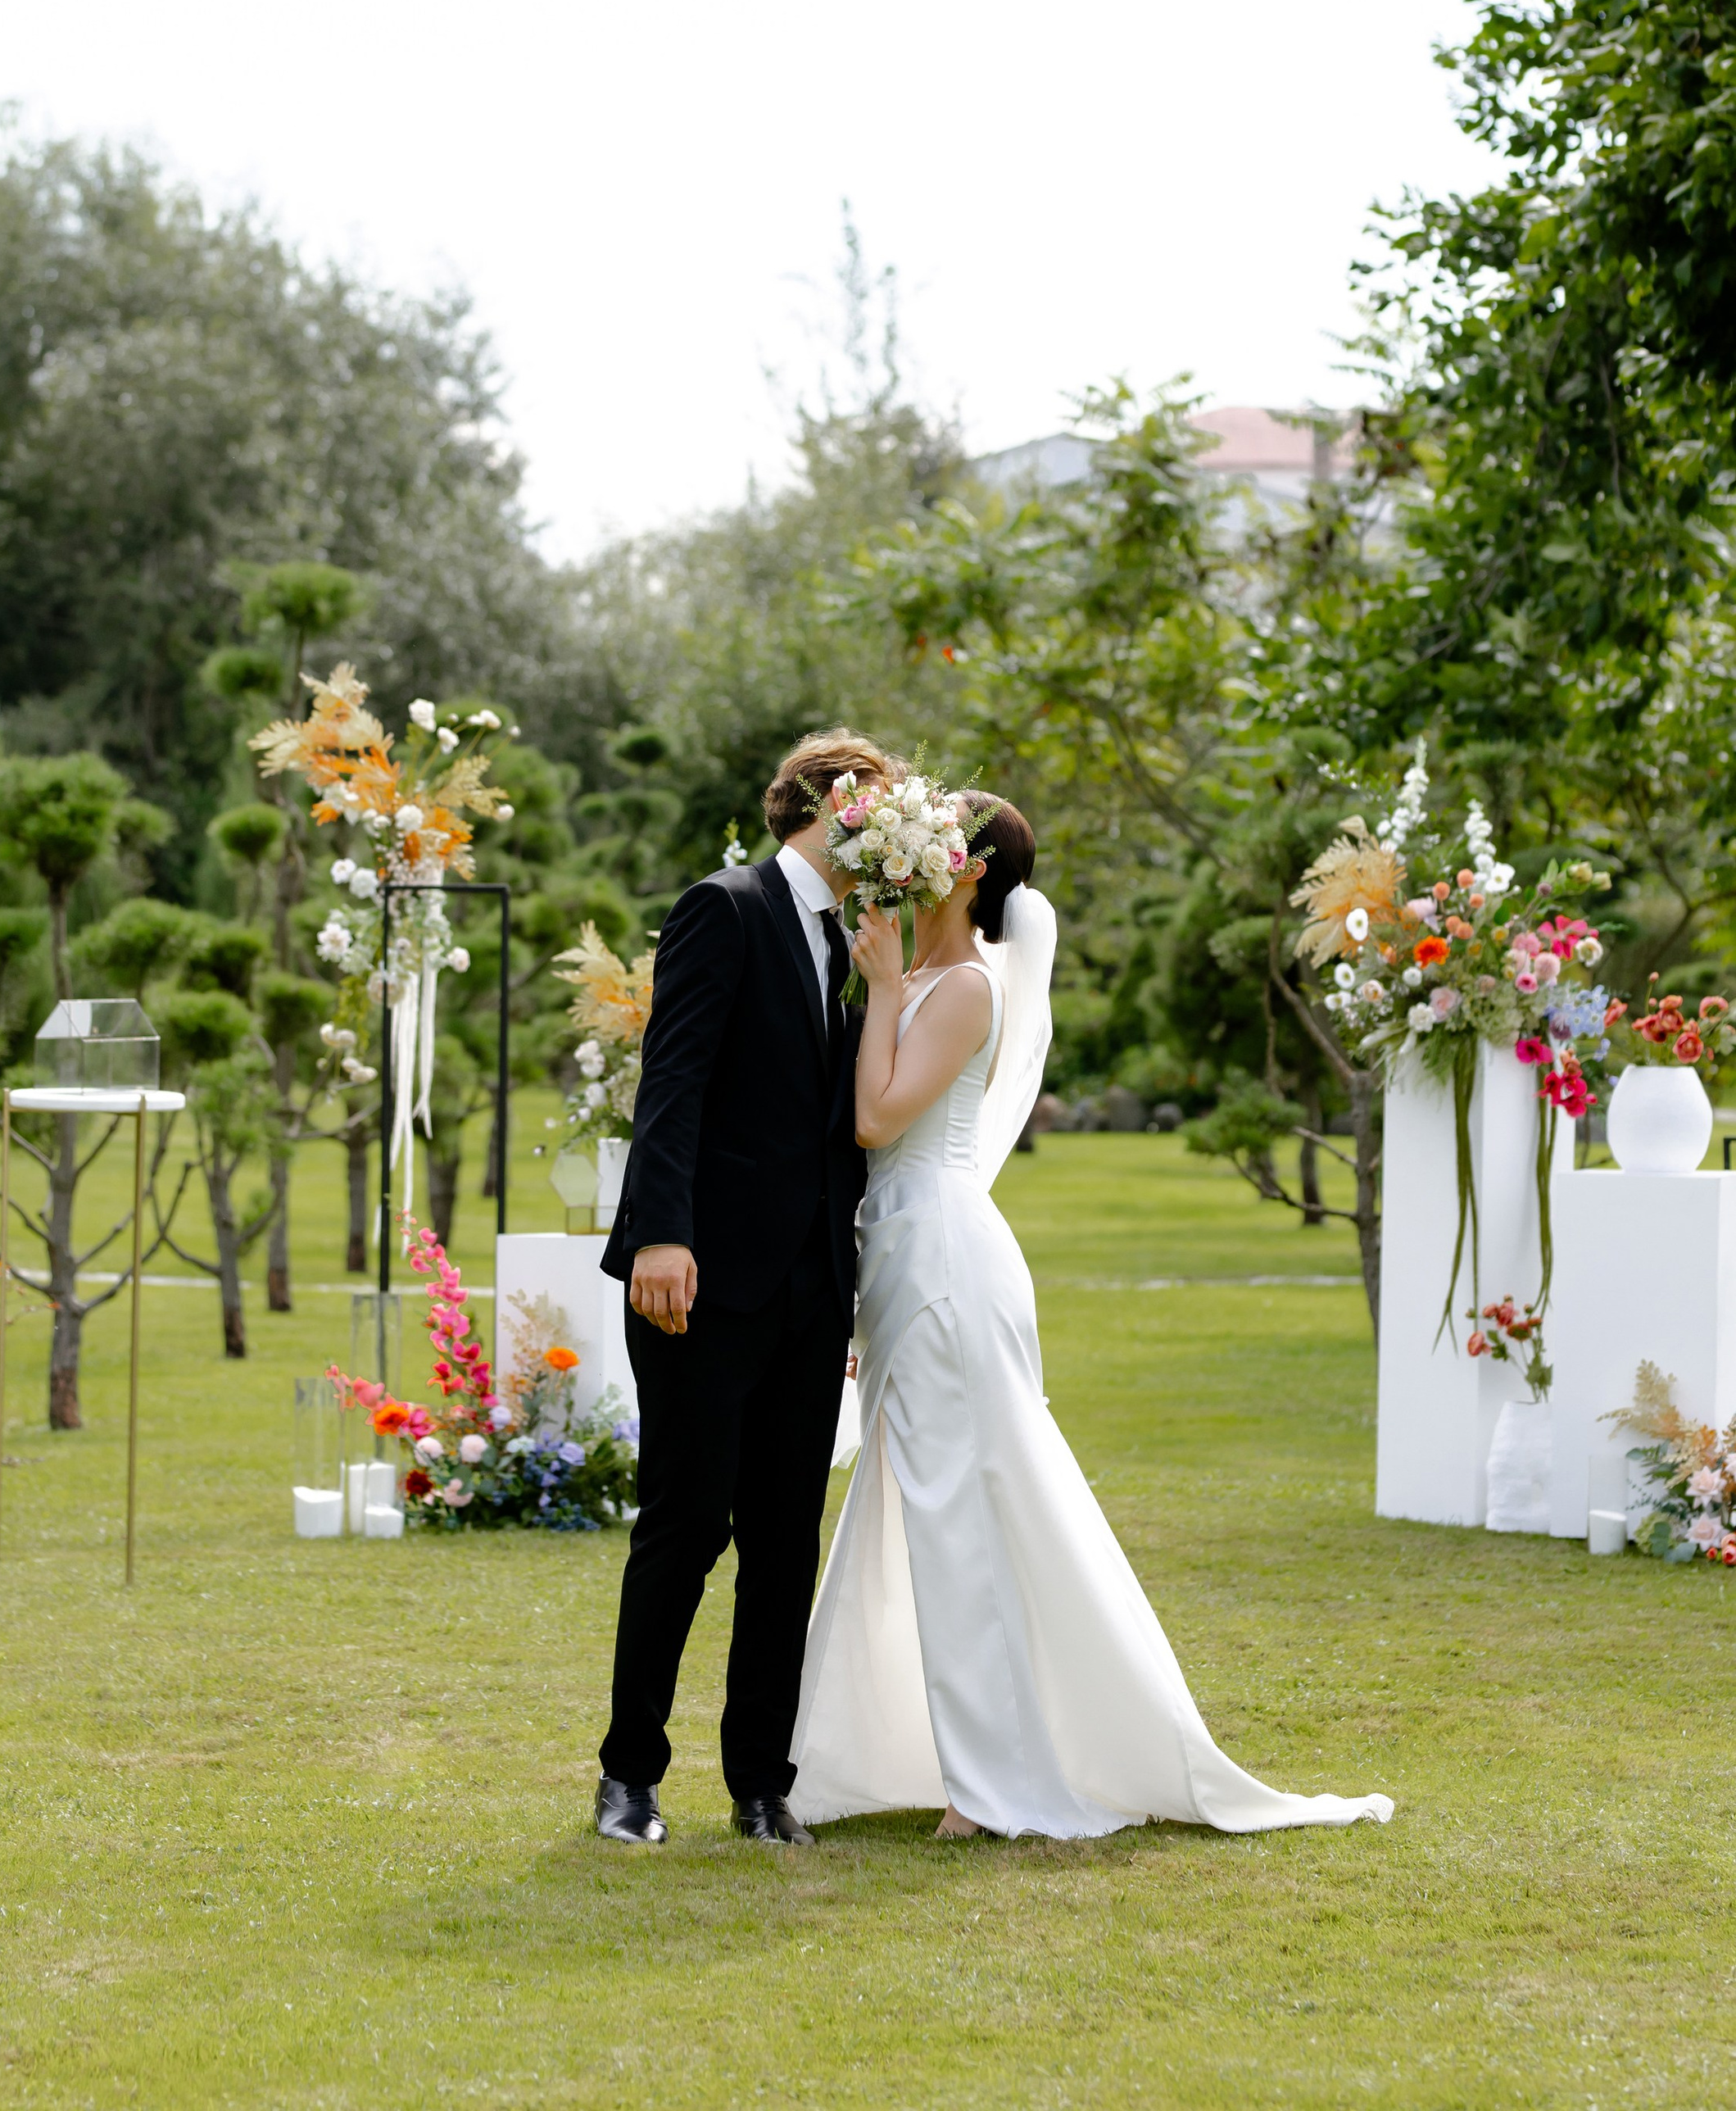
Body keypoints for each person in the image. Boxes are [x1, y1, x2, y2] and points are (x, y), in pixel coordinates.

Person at [788, 792, 1393, 1840]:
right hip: (895, 1254)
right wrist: (884, 983)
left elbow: (877, 1115)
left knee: (956, 1508)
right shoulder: (919, 975)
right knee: (914, 1502)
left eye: (931, 844)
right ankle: (887, 1753)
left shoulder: (968, 984)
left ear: (969, 870)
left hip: (941, 1257)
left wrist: (880, 985)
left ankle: (987, 1786)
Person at [592, 729, 890, 1848]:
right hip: (699, 1281)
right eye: (889, 810)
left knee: (782, 1537)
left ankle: (763, 1783)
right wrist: (664, 1235)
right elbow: (673, 1081)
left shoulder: (857, 943)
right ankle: (630, 1777)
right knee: (684, 1526)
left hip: (812, 1290)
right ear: (836, 807)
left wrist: (847, 1286)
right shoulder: (726, 907)